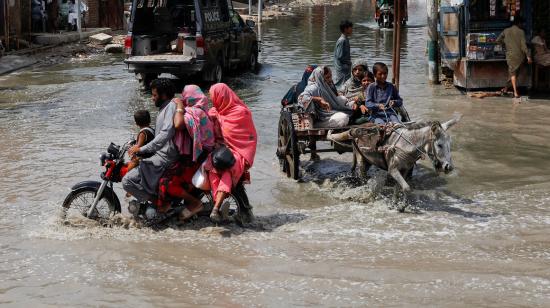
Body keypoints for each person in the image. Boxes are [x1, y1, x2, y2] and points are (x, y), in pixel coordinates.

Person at [123, 79, 179, 205]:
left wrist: (141, 149)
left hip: (165, 157)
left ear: (163, 95)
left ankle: (158, 204)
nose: (152, 99)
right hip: (161, 154)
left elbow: (166, 133)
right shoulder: (164, 108)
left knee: (127, 181)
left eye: (154, 95)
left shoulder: (170, 106)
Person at [206, 83, 257, 223]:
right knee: (212, 168)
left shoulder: (241, 112)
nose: (213, 100)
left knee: (228, 170)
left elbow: (249, 137)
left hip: (240, 152)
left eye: (214, 97)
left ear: (222, 96)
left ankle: (217, 208)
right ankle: (236, 209)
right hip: (221, 151)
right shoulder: (214, 113)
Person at [166, 85, 215, 221]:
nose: (183, 99)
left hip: (200, 158)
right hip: (202, 155)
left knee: (168, 183)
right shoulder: (202, 110)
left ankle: (195, 204)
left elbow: (178, 124)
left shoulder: (195, 112)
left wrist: (180, 106)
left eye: (184, 97)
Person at [496, 17, 532, 98]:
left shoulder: (506, 31)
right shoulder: (521, 32)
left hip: (511, 56)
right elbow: (523, 46)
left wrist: (504, 43)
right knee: (514, 73)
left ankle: (515, 92)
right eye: (521, 24)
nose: (522, 25)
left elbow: (497, 40)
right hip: (520, 57)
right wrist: (528, 56)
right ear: (518, 23)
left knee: (512, 74)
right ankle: (506, 89)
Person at [333, 20, 353, 90]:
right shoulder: (342, 40)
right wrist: (349, 62)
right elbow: (339, 56)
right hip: (342, 69)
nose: (352, 29)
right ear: (345, 29)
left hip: (345, 68)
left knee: (345, 85)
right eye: (350, 28)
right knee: (341, 86)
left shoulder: (345, 39)